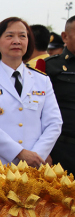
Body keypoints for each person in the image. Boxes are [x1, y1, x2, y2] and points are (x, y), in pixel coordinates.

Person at [0, 17, 62, 166]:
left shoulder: (41, 80)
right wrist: (20, 153)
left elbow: (54, 123)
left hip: (31, 166)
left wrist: (36, 155)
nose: (17, 41)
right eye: (10, 36)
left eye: (22, 36)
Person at [43, 16, 75, 173]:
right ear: (65, 36)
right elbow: (37, 111)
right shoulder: (50, 66)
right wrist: (44, 150)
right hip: (63, 148)